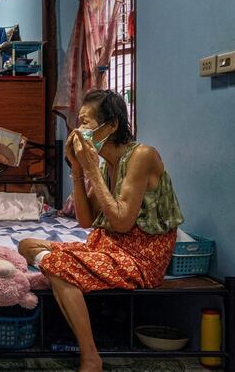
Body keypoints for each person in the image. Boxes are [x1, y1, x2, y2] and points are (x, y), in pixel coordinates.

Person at [18, 90, 183, 372]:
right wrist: (77, 170)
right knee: (27, 245)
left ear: (112, 125)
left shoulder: (142, 156)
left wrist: (92, 169)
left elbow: (122, 223)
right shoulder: (106, 164)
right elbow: (86, 221)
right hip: (107, 246)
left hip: (140, 256)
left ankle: (90, 356)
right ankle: (64, 276)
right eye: (78, 123)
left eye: (85, 123)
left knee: (57, 264)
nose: (78, 131)